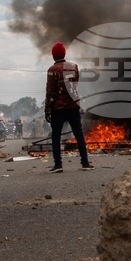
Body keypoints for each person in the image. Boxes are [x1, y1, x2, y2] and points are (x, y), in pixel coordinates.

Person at [45, 42, 94, 172]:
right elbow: (75, 85)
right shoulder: (74, 67)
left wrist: (47, 110)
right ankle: (85, 163)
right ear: (64, 54)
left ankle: (58, 165)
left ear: (53, 55)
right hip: (73, 106)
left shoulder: (52, 70)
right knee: (79, 134)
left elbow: (50, 92)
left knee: (56, 135)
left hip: (58, 108)